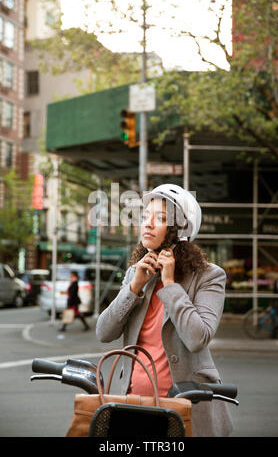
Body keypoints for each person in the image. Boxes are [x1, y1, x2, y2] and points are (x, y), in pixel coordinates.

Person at [96, 184, 233, 437]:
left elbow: (198, 338)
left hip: (185, 407)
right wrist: (134, 287)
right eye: (145, 216)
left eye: (159, 218)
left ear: (180, 229)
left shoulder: (209, 276)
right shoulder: (136, 273)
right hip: (133, 405)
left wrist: (170, 285)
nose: (147, 224)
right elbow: (104, 332)